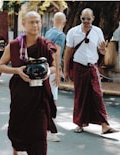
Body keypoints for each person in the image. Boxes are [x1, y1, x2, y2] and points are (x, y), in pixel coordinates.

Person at [0, 11, 57, 155]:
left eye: (37, 22)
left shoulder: (46, 45)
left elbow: (54, 67)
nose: (35, 25)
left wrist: (47, 72)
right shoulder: (14, 45)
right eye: (31, 22)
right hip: (21, 95)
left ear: (41, 23)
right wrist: (18, 71)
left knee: (40, 135)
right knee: (18, 130)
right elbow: (0, 66)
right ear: (24, 23)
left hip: (40, 96)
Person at [63, 8, 119, 134]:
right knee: (80, 96)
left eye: (88, 18)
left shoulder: (97, 31)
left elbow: (102, 51)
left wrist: (104, 50)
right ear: (80, 18)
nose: (86, 21)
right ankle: (79, 123)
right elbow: (68, 52)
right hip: (79, 66)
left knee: (97, 95)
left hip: (92, 66)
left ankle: (104, 125)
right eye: (83, 18)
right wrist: (66, 70)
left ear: (93, 18)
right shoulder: (73, 32)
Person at [44, 12, 66, 142]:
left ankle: (47, 128)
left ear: (53, 21)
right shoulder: (60, 35)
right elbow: (56, 55)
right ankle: (48, 131)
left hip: (47, 68)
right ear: (64, 22)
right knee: (53, 101)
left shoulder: (48, 33)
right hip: (52, 70)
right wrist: (57, 73)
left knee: (48, 98)